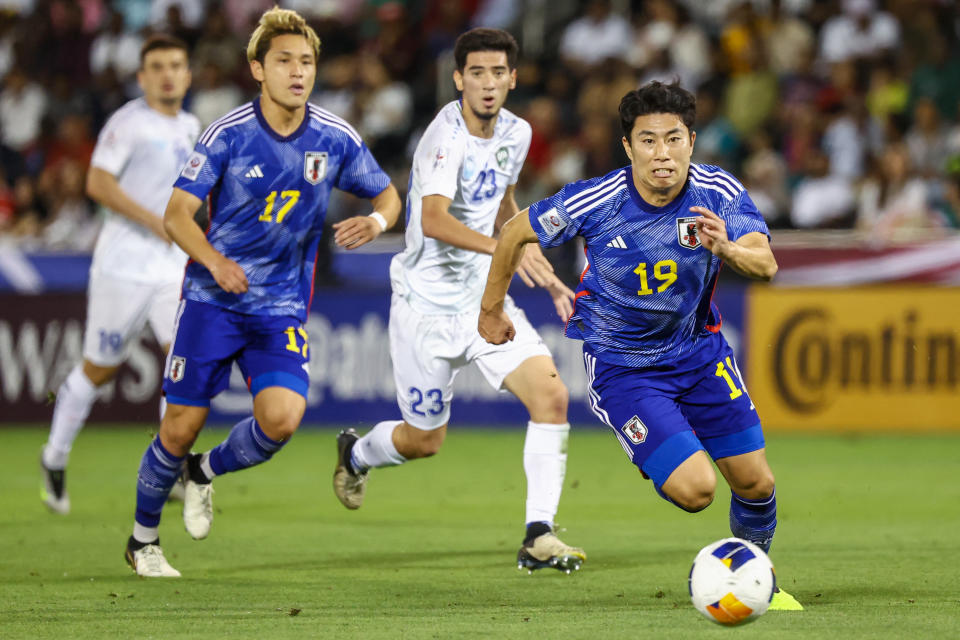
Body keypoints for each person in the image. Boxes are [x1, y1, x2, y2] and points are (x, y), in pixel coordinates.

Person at [478, 80, 800, 609]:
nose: (662, 154)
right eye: (648, 141)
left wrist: (726, 248)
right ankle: (657, 448)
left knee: (756, 482)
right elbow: (515, 231)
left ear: (691, 142)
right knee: (696, 491)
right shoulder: (598, 200)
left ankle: (756, 578)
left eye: (673, 139)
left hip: (698, 353)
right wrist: (490, 310)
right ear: (628, 148)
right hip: (625, 369)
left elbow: (765, 264)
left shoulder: (716, 191)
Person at [123, 7, 402, 578]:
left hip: (279, 308)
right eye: (284, 61)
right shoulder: (227, 136)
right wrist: (215, 261)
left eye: (306, 62)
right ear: (258, 68)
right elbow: (177, 216)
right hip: (212, 301)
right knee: (177, 427)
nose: (298, 72)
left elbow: (389, 196)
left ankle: (204, 473)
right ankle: (142, 541)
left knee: (281, 419)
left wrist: (375, 223)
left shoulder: (333, 136)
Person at [332, 28, 586, 574]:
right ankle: (356, 453)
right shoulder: (443, 137)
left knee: (552, 398)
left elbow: (503, 201)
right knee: (424, 441)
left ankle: (538, 534)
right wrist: (507, 250)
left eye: (498, 73)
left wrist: (521, 241)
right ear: (458, 79)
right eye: (477, 73)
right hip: (424, 307)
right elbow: (434, 219)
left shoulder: (517, 134)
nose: (488, 84)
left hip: (483, 299)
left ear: (513, 79)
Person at [40, 34, 200, 515]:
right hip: (123, 265)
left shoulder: (193, 126)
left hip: (172, 265)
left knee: (184, 360)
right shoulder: (128, 123)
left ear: (188, 73)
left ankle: (169, 465)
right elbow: (97, 182)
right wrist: (155, 221)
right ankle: (55, 456)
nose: (168, 73)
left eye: (176, 64)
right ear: (142, 76)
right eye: (157, 66)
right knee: (100, 368)